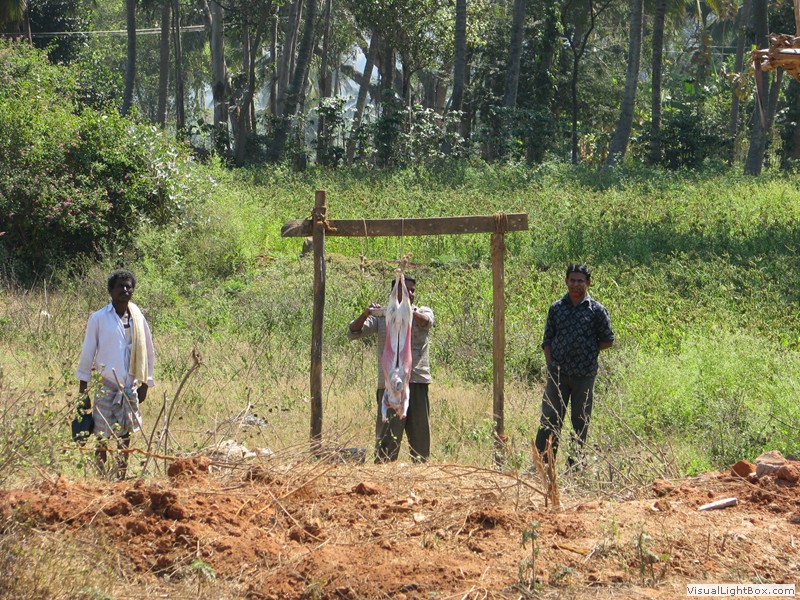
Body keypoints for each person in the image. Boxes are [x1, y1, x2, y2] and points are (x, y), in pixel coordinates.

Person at [75, 270, 155, 479]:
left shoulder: (137, 318)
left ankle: (120, 477)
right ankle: (101, 478)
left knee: (125, 436)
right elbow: (87, 354)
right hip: (106, 386)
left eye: (129, 286)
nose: (125, 290)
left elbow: (148, 350)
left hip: (129, 387)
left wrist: (145, 383)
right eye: (120, 286)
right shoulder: (99, 318)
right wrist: (83, 391)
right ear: (111, 290)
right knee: (102, 436)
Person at [534, 264, 614, 469]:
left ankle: (573, 467)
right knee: (550, 419)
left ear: (588, 283)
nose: (576, 284)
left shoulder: (597, 310)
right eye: (572, 280)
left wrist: (588, 350)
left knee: (580, 422)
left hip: (584, 376)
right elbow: (547, 340)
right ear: (566, 281)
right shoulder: (557, 308)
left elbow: (608, 340)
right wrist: (551, 365)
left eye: (580, 281)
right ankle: (542, 464)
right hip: (558, 374)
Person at [348, 275, 434, 463]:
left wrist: (409, 311)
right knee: (387, 437)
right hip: (389, 385)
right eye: (406, 290)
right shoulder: (382, 318)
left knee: (420, 436)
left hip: (416, 381)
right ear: (395, 292)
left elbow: (426, 322)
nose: (410, 293)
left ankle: (421, 471)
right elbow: (353, 332)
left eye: (412, 290)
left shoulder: (421, 312)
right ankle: (383, 471)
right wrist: (367, 313)